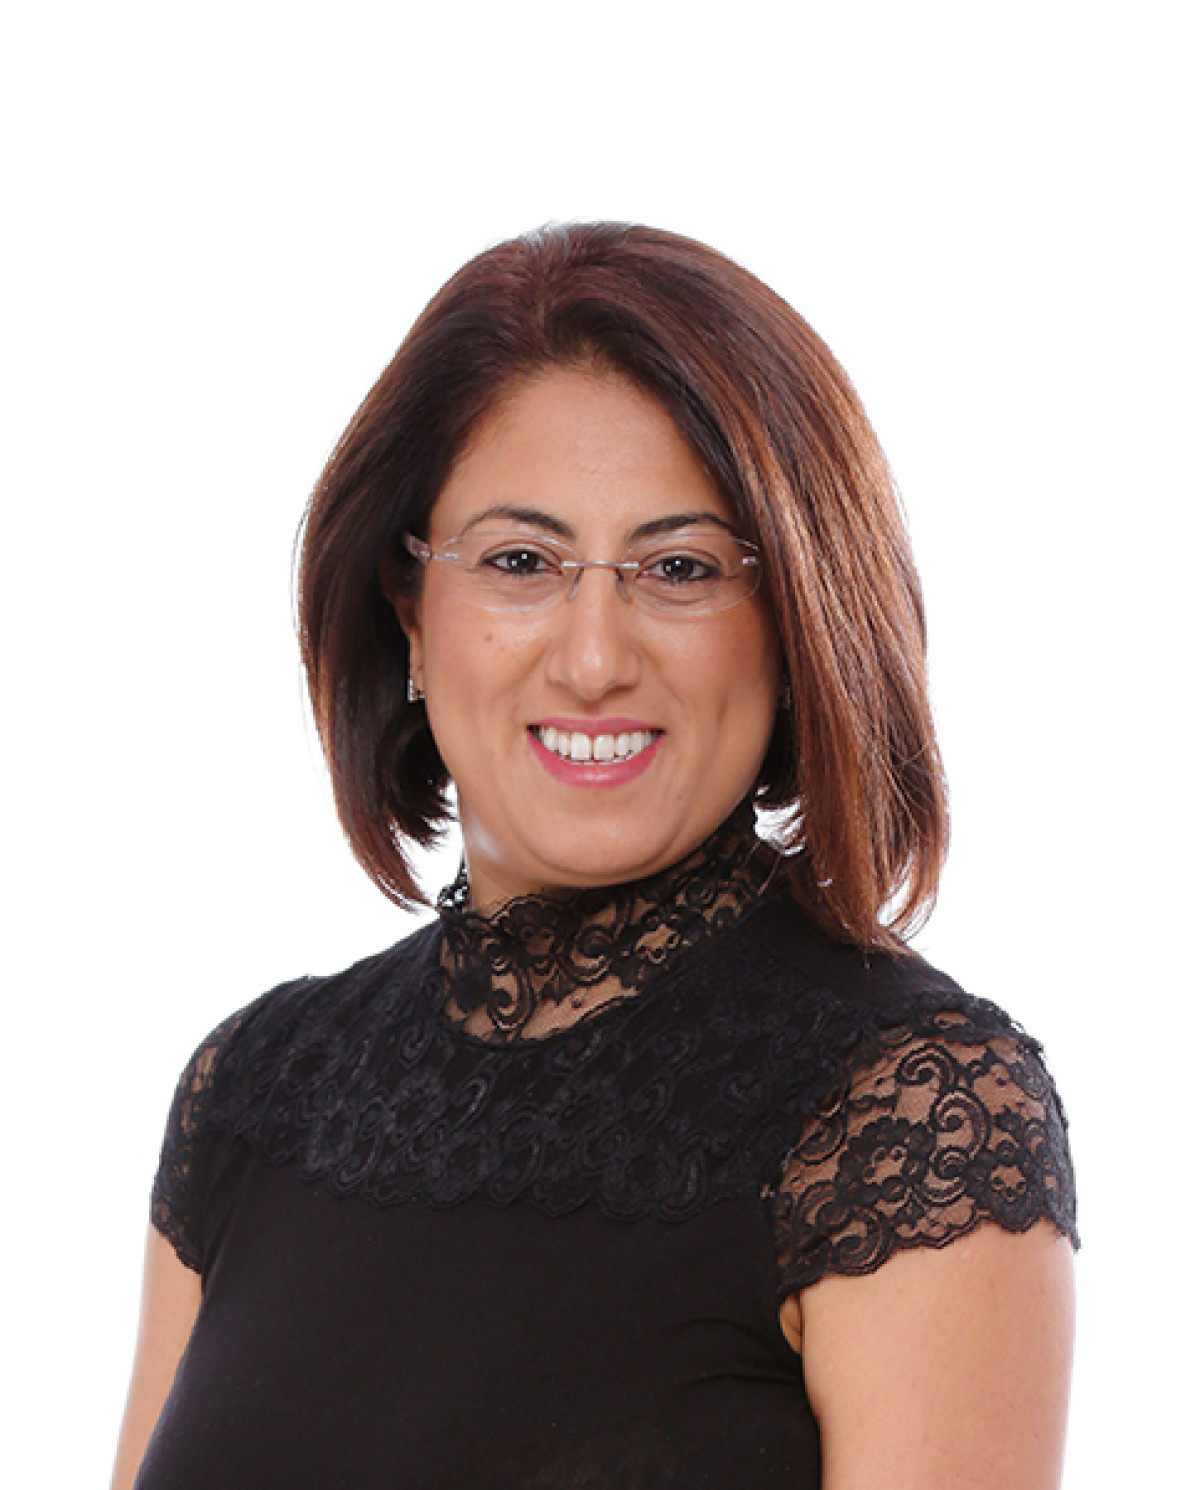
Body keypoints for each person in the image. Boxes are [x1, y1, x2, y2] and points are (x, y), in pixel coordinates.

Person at [112, 222, 1078, 1490]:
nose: (593, 656)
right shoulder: (252, 1091)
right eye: (520, 561)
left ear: (795, 624)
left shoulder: (909, 1113)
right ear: (411, 613)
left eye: (679, 567)